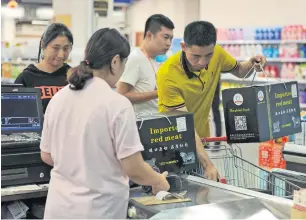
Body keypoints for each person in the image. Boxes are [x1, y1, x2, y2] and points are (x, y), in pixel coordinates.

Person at [40, 28, 170, 219]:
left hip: (58, 208)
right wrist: (159, 180)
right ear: (115, 61)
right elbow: (133, 168)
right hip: (97, 210)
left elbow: (47, 155)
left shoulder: (59, 98)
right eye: (124, 64)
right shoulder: (117, 104)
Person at [156, 21, 267, 181]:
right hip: (172, 147)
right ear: (183, 46)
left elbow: (240, 71)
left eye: (208, 55)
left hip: (199, 141)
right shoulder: (167, 75)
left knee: (200, 196)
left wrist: (253, 63)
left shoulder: (218, 54)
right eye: (196, 56)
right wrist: (208, 165)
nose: (202, 62)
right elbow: (183, 126)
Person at [116, 14, 174, 115]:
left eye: (171, 39)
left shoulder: (154, 59)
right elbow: (121, 95)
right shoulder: (136, 59)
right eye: (165, 37)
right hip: (140, 126)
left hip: (156, 123)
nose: (168, 43)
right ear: (149, 36)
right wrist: (159, 93)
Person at [15, 23, 73, 113]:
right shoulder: (26, 78)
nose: (61, 55)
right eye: (56, 48)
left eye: (66, 48)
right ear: (43, 44)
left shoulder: (74, 77)